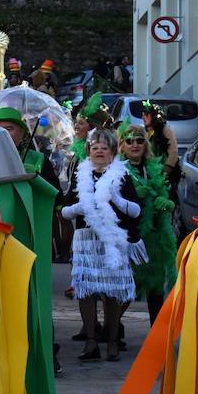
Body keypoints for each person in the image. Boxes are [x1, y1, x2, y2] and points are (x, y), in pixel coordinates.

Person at [60, 127, 146, 362]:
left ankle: (111, 341)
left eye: (104, 148)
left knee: (113, 291)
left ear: (112, 152)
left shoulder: (121, 176)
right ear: (88, 152)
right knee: (85, 290)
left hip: (112, 238)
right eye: (94, 147)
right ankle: (90, 341)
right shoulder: (81, 175)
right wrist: (79, 207)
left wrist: (116, 199)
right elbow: (64, 210)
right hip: (86, 241)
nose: (99, 151)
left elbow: (137, 211)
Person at [118, 123, 178, 324]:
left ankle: (157, 336)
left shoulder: (154, 169)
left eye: (139, 140)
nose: (134, 144)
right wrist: (131, 195)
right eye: (129, 141)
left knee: (155, 291)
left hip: (153, 239)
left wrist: (166, 203)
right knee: (126, 289)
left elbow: (168, 198)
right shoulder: (118, 171)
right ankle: (112, 332)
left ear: (146, 145)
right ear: (122, 146)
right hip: (129, 237)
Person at [0, 106, 60, 194]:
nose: (2, 133)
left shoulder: (38, 159)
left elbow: (55, 195)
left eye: (9, 129)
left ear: (21, 133)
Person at [141, 100, 181, 194]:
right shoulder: (143, 132)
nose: (143, 117)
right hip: (147, 175)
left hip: (161, 176)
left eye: (146, 114)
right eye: (142, 114)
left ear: (154, 116)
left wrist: (164, 173)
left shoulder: (165, 131)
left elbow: (173, 153)